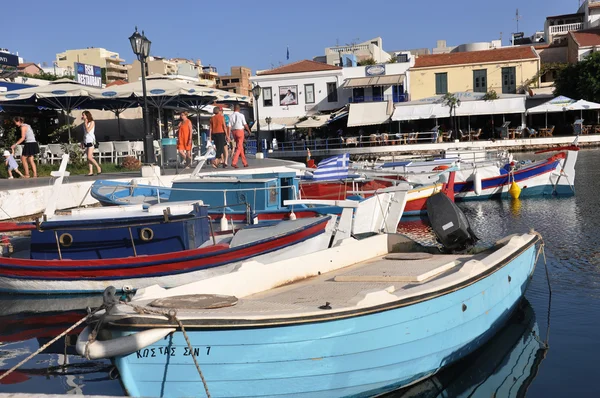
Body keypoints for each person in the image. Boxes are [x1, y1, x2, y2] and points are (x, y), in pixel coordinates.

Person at [229, 104, 251, 168]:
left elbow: (229, 126)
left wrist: (228, 134)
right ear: (239, 109)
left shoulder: (230, 115)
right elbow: (245, 124)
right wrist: (249, 131)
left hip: (233, 132)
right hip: (240, 131)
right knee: (239, 148)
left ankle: (245, 163)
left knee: (240, 147)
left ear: (234, 109)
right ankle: (234, 162)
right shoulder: (241, 115)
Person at [81, 111, 102, 176]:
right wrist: (82, 141)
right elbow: (85, 133)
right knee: (88, 157)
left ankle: (98, 167)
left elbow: (88, 130)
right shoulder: (84, 124)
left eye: (83, 115)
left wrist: (85, 123)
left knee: (90, 157)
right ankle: (91, 171)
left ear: (87, 116)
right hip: (86, 140)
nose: (82, 116)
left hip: (91, 140)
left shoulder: (92, 122)